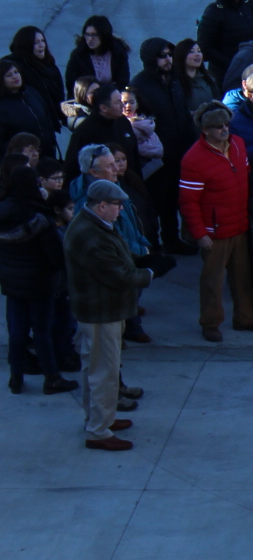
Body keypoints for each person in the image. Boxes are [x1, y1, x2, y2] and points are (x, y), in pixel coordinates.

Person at [63, 179, 149, 451]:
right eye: (117, 205)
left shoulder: (92, 225)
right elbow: (117, 275)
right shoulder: (91, 235)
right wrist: (148, 273)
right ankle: (99, 431)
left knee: (94, 368)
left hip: (98, 310)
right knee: (104, 371)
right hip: (101, 313)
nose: (120, 210)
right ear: (101, 205)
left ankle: (99, 420)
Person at [176, 103, 253, 343]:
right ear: (205, 130)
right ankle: (210, 323)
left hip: (239, 226)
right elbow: (188, 203)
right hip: (214, 233)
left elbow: (246, 173)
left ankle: (245, 318)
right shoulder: (193, 160)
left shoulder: (238, 144)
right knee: (212, 282)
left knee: (243, 277)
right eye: (218, 127)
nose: (224, 130)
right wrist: (200, 234)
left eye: (226, 125)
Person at [0, 165, 75, 397]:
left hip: (12, 282)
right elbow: (55, 256)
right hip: (40, 283)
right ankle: (51, 377)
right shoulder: (39, 217)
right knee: (42, 332)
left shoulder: (3, 211)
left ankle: (16, 376)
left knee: (18, 331)